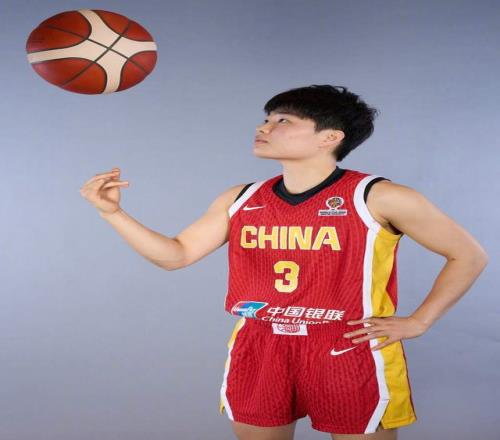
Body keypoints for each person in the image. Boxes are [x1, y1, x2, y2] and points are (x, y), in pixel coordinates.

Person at [79, 84, 488, 440]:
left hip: (348, 344)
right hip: (261, 342)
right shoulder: (241, 198)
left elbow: (468, 255)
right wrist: (112, 213)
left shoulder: (379, 196)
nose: (264, 128)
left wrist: (420, 321)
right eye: (266, 119)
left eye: (282, 121)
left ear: (330, 137)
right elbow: (177, 255)